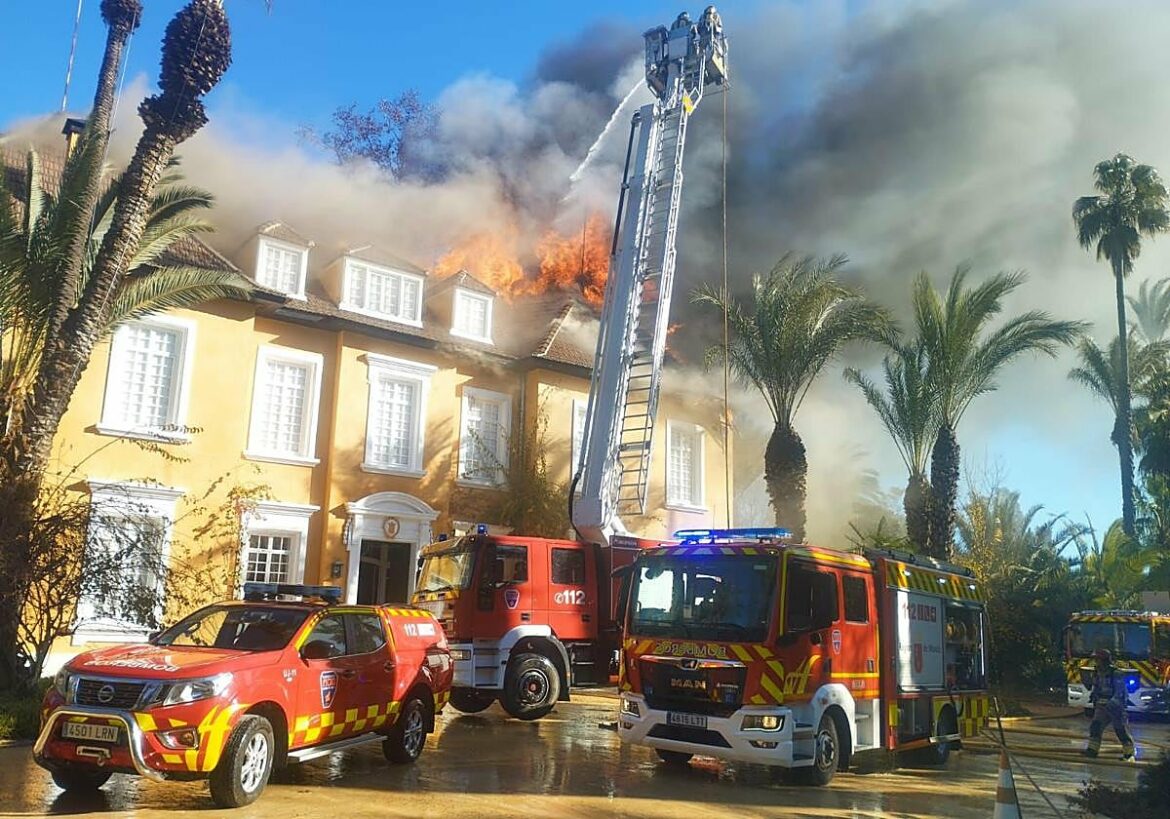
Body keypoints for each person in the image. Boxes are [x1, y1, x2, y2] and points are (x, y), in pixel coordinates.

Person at [1082, 648, 1136, 761]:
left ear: (1104, 660)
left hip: (1116, 707)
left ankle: (1129, 754)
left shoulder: (1115, 673)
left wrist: (1113, 703)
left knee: (1120, 730)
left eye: (1098, 660)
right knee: (1096, 727)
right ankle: (1092, 750)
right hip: (1101, 706)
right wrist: (1094, 697)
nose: (1096, 662)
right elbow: (1096, 687)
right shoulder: (1097, 672)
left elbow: (1120, 691)